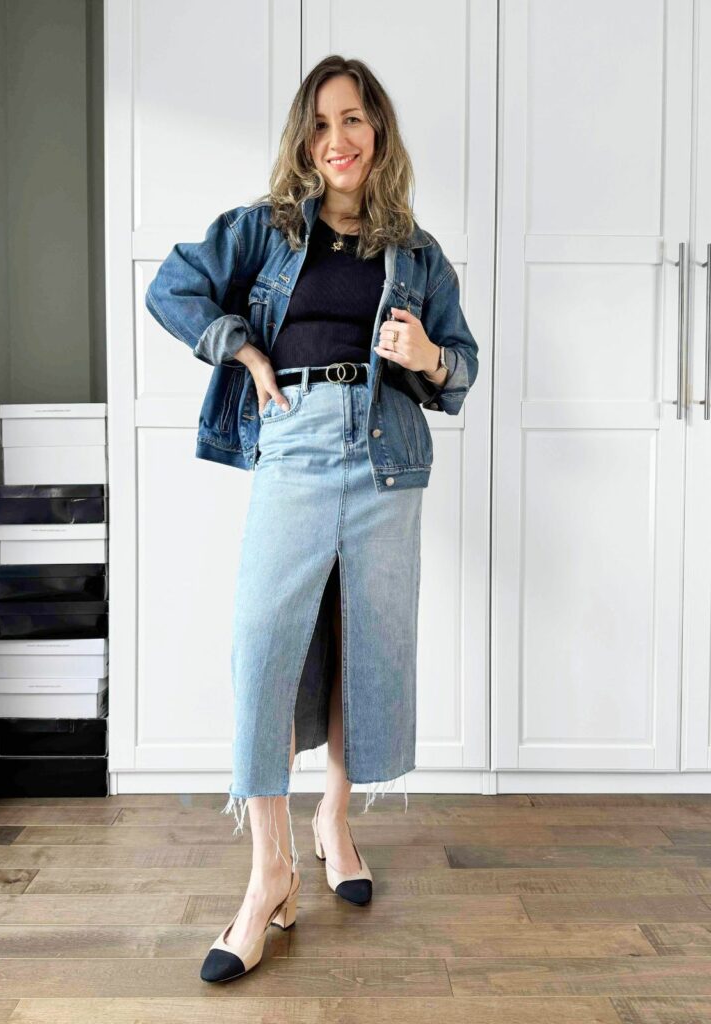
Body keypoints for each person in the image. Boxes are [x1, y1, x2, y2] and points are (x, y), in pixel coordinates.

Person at [145, 55, 478, 983]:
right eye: (325, 121)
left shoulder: (415, 252)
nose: (342, 138)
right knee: (265, 645)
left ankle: (334, 820)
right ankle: (268, 874)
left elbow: (465, 364)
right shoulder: (263, 230)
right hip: (293, 440)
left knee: (356, 639)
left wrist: (431, 357)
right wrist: (243, 350)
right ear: (305, 136)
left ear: (380, 135)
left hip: (386, 452)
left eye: (359, 119)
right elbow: (172, 288)